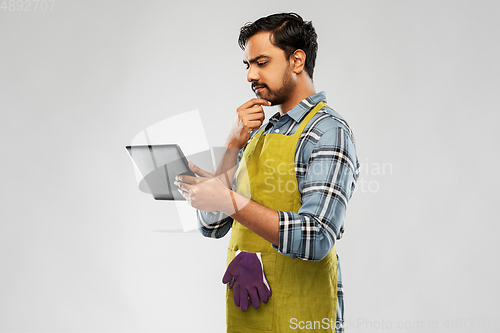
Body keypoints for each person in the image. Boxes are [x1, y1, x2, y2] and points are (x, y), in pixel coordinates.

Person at [174, 12, 359, 333]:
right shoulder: (258, 132)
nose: (250, 75)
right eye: (247, 65)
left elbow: (317, 238)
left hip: (302, 313)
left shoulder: (328, 132)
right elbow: (213, 224)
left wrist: (228, 199)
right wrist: (232, 144)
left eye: (261, 62)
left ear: (296, 60)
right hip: (250, 314)